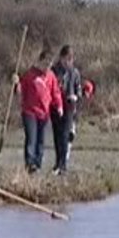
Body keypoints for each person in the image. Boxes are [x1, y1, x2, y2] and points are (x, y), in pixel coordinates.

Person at [14, 49, 63, 174]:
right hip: (30, 112)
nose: (47, 67)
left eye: (49, 65)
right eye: (45, 64)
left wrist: (59, 106)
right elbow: (20, 90)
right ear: (40, 61)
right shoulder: (30, 75)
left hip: (44, 113)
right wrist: (16, 83)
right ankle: (30, 163)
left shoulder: (51, 76)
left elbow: (55, 92)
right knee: (32, 138)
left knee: (41, 140)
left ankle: (38, 163)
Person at [50, 45, 82, 175]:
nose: (69, 62)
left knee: (65, 134)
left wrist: (76, 96)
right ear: (61, 58)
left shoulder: (74, 72)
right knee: (57, 135)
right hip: (55, 105)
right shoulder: (53, 71)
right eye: (67, 58)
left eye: (71, 59)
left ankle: (63, 164)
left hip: (69, 106)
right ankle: (58, 162)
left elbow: (78, 89)